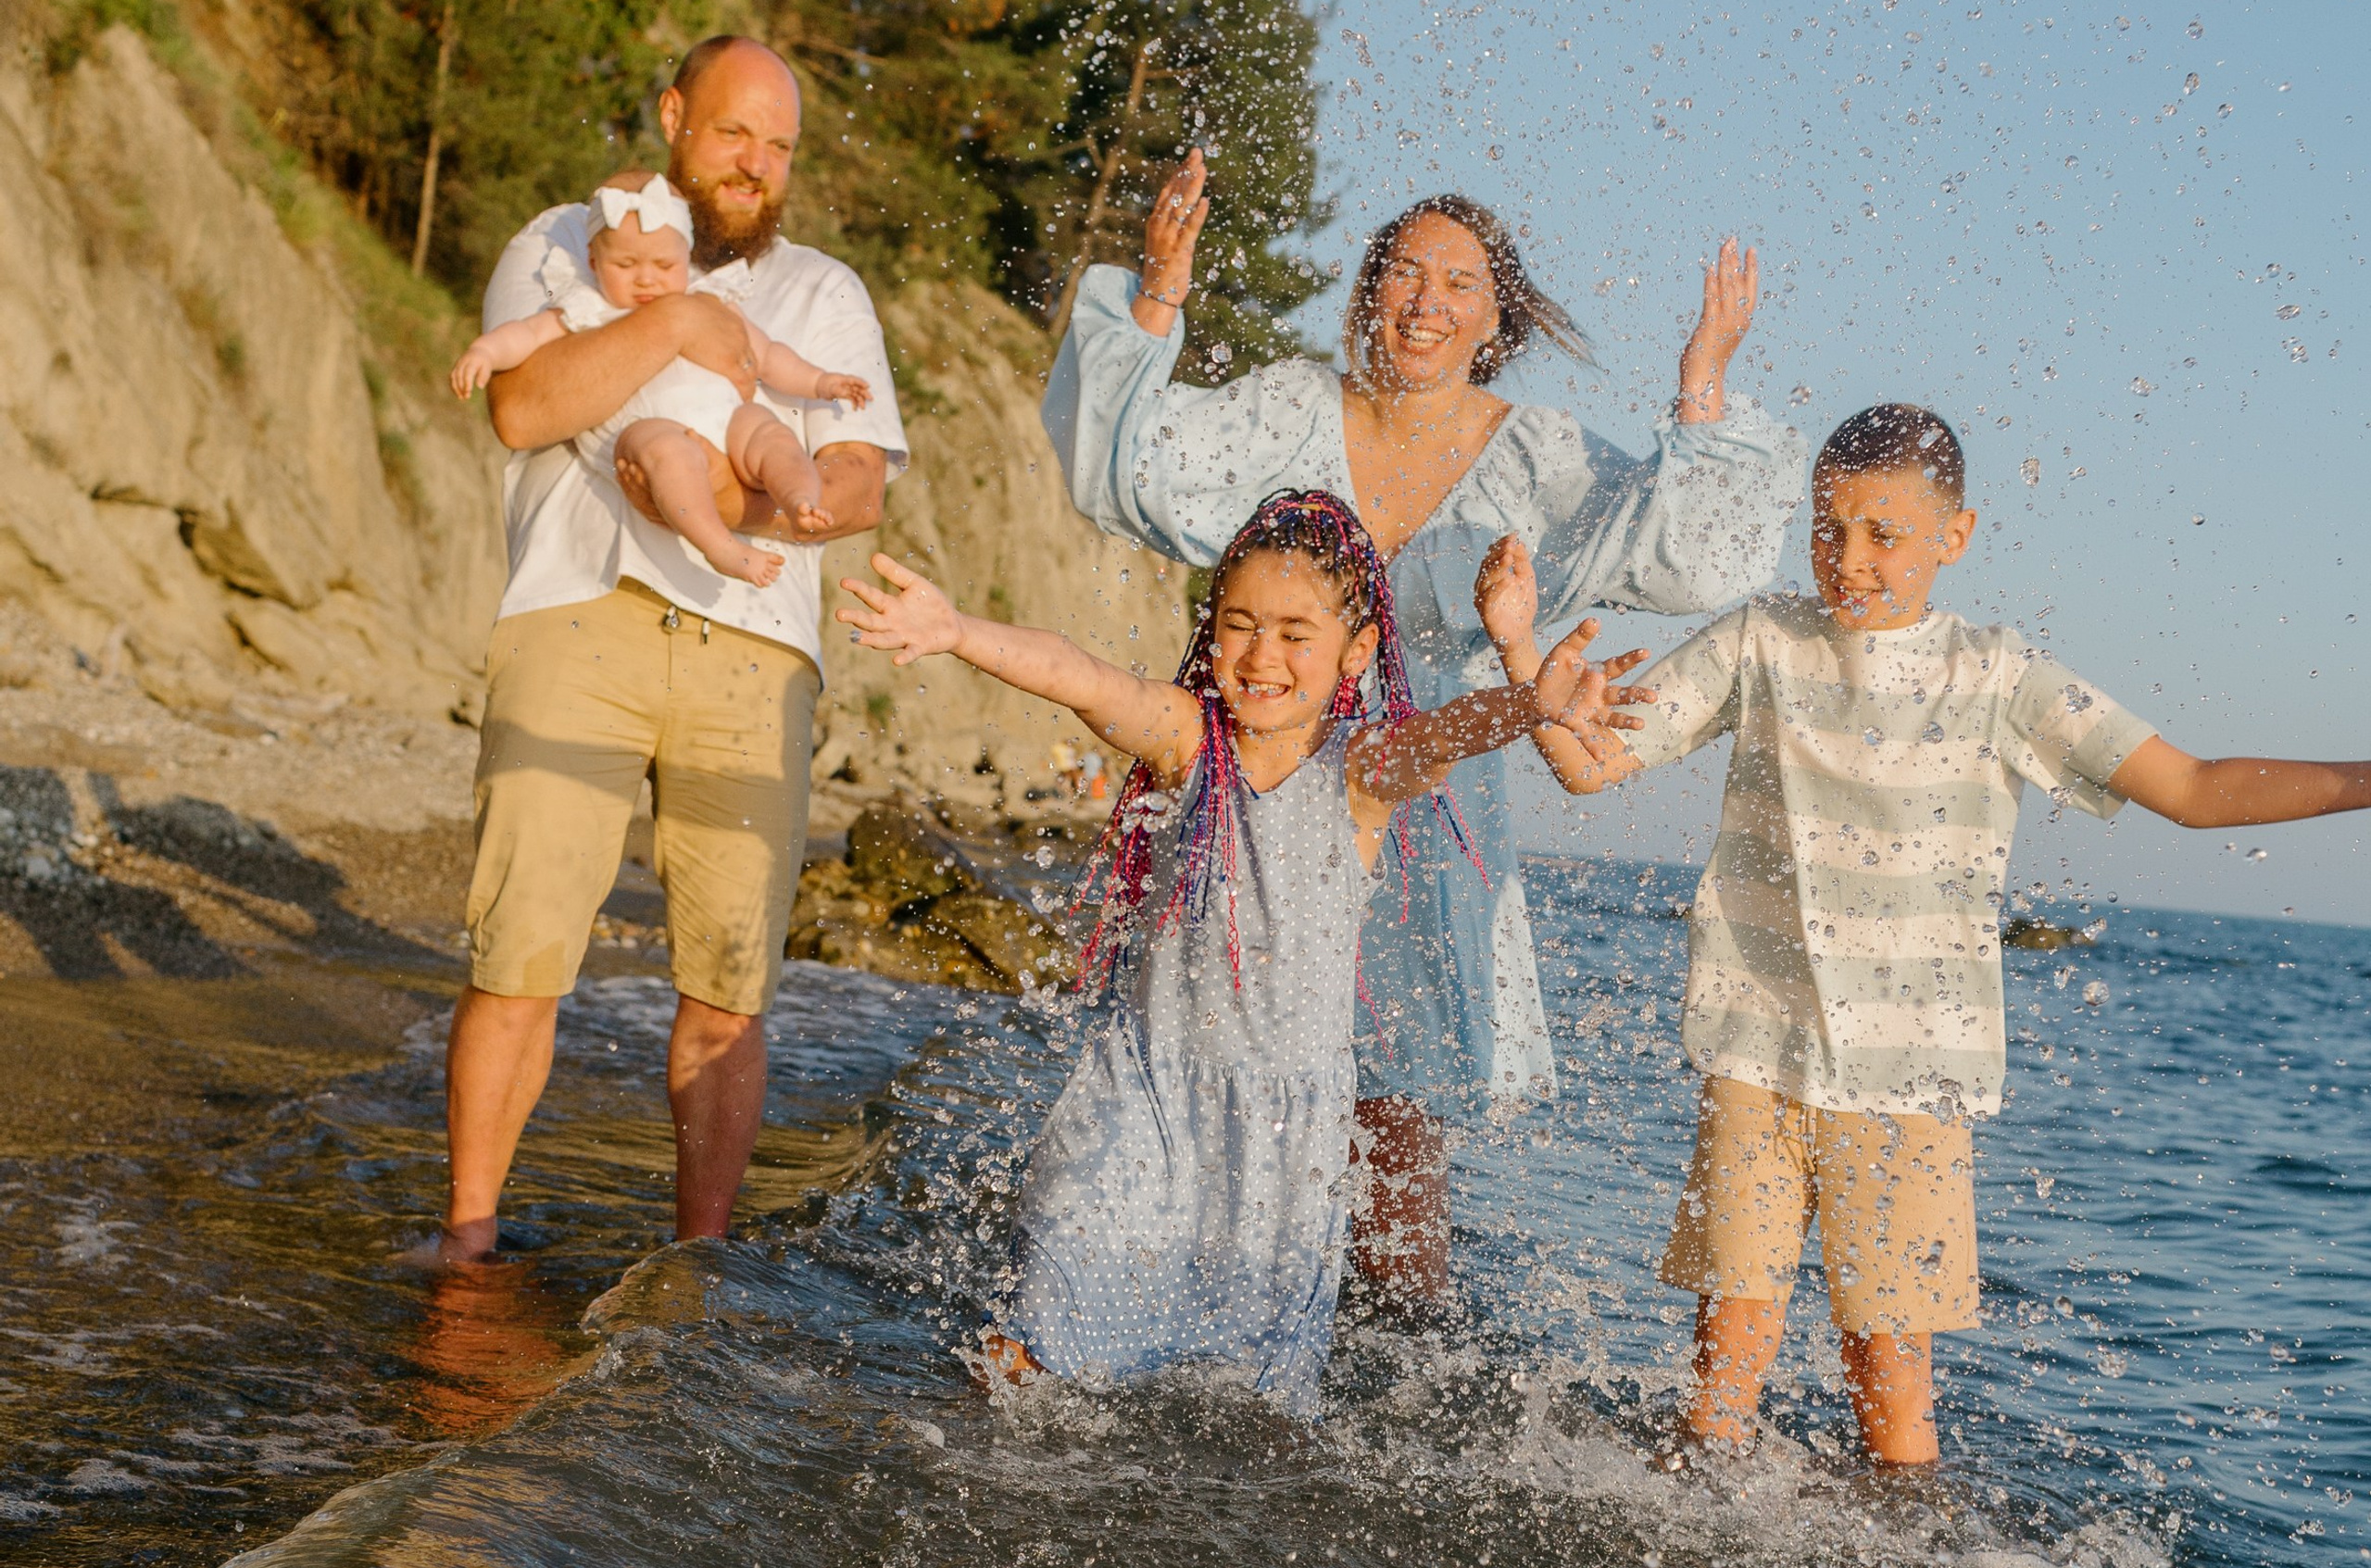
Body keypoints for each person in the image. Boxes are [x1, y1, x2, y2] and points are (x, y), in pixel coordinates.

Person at [1505, 401, 2371, 1464]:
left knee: (1892, 1378)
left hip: (1909, 1078)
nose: (1848, 560)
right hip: (1755, 1052)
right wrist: (1523, 666)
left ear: (1952, 538)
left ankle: (1904, 1548)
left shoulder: (1998, 677)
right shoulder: (1761, 639)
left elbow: (2191, 787)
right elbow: (1589, 765)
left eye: (1884, 534)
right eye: (1827, 529)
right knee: (1724, 1364)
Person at [1041, 150, 1806, 1311]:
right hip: (1263, 792)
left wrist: (1700, 381)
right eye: (1404, 272)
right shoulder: (1295, 407)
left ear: (1494, 318)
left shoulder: (1537, 456)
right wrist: (1157, 291)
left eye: (1457, 283)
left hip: (1422, 816)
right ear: (1368, 292)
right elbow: (1126, 471)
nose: (1425, 300)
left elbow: (1688, 547)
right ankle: (1179, 1331)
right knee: (1216, 1071)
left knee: (1392, 1125)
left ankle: (1396, 1377)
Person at [834, 491, 1621, 1408]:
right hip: (1143, 1098)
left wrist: (1529, 702)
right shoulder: (1186, 740)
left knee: (1244, 1415)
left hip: (1283, 1142)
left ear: (1354, 651)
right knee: (1030, 1352)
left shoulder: (1362, 773)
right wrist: (953, 629)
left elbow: (1443, 738)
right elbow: (1082, 677)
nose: (1261, 655)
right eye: (1239, 625)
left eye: (1295, 633)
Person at [432, 33, 909, 1263]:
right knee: (521, 953)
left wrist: (718, 506)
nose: (757, 162)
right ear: (673, 116)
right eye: (736, 130)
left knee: (729, 987)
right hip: (575, 618)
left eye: (781, 145)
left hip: (757, 654)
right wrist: (683, 317)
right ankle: (469, 1243)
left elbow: (857, 484)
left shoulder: (823, 291)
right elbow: (525, 406)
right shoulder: (564, 243)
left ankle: (695, 1265)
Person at [451, 170, 873, 585]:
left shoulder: (709, 297)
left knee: (772, 435)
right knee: (670, 454)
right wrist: (485, 352)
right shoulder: (587, 306)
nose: (647, 278)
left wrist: (822, 383)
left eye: (664, 264)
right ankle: (720, 545)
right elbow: (526, 335)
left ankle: (800, 499)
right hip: (646, 428)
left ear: (686, 257)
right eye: (626, 264)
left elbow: (767, 356)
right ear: (594, 263)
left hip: (727, 417)